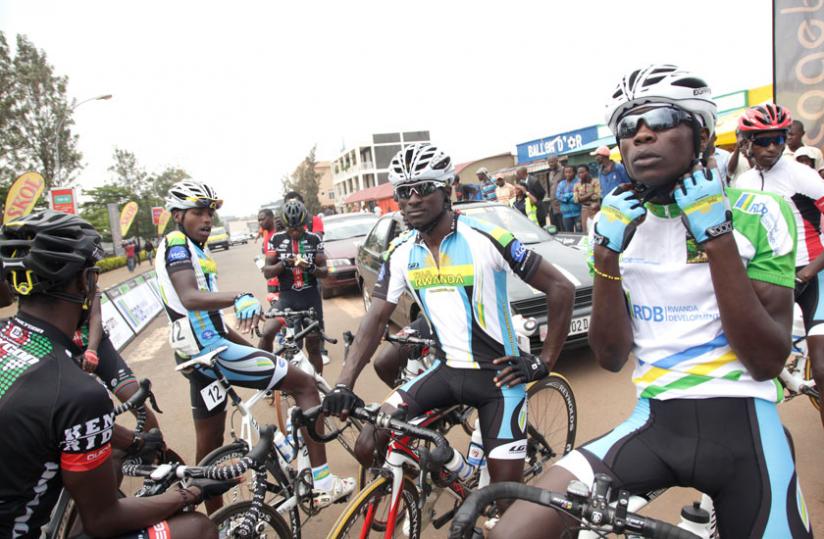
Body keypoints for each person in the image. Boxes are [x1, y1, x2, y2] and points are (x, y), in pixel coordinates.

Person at [492, 64, 811, 539]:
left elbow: (767, 361)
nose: (641, 136)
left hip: (746, 425)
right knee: (512, 532)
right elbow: (611, 356)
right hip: (655, 422)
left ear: (702, 132)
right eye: (627, 127)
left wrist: (717, 238)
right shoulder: (614, 225)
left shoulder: (760, 213)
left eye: (660, 121)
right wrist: (605, 254)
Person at [323, 143, 575, 509]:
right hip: (444, 371)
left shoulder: (487, 237)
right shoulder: (400, 251)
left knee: (507, 508)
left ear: (447, 190)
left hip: (497, 381)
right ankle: (419, 489)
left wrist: (544, 361)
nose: (411, 200)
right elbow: (375, 319)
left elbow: (561, 287)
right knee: (368, 443)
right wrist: (344, 382)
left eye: (422, 188)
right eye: (403, 192)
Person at [0, 210, 221, 539]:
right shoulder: (76, 392)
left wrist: (134, 440)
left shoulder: (9, 337)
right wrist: (190, 491)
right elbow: (104, 520)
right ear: (84, 281)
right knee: (198, 527)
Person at [155, 180, 353, 513]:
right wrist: (240, 296)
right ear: (177, 215)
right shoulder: (177, 244)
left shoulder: (192, 248)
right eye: (198, 213)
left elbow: (211, 320)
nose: (206, 220)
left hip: (197, 357)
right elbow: (190, 298)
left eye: (210, 214)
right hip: (212, 353)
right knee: (305, 384)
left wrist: (256, 348)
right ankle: (321, 483)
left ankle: (214, 521)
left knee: (209, 449)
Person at [735, 104, 824, 431]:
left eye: (778, 139)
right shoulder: (743, 181)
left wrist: (809, 271)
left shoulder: (801, 175)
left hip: (813, 274)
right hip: (770, 276)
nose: (772, 147)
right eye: (763, 140)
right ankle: (789, 379)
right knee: (748, 349)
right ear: (746, 142)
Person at [261, 199, 329, 375]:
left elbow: (325, 271)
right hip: (286, 298)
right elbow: (267, 271)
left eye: (299, 227)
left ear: (305, 223)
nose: (295, 231)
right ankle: (264, 374)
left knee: (313, 346)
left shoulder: (314, 239)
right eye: (291, 228)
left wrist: (310, 267)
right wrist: (283, 264)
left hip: (310, 299)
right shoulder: (276, 240)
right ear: (284, 225)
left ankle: (318, 385)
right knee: (268, 331)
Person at [573, 164, 600, 234]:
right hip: (584, 209)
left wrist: (582, 197)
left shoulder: (595, 182)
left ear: (587, 171)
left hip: (595, 209)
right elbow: (576, 199)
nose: (580, 174)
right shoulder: (577, 185)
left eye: (582, 172)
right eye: (579, 173)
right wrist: (590, 193)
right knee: (586, 230)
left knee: (596, 229)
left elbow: (597, 196)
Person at [556, 165, 580, 232]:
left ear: (574, 172)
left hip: (578, 213)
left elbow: (577, 196)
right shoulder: (561, 184)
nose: (568, 174)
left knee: (580, 232)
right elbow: (558, 195)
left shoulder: (579, 182)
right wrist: (570, 195)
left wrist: (565, 197)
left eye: (570, 172)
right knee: (569, 234)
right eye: (566, 172)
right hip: (566, 214)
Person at [544, 154, 565, 230]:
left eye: (552, 162)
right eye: (549, 163)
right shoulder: (550, 173)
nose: (550, 164)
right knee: (555, 229)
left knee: (564, 229)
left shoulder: (564, 171)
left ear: (557, 161)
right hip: (552, 205)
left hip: (562, 206)